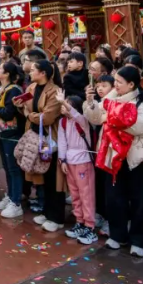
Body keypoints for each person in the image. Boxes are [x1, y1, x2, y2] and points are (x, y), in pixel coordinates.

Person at [84, 66, 143, 256]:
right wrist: (91, 103)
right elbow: (96, 118)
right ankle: (117, 235)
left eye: (119, 82)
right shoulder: (110, 100)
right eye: (115, 81)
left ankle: (140, 240)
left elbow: (141, 125)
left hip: (135, 158)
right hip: (112, 156)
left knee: (139, 200)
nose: (115, 85)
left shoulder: (142, 103)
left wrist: (111, 118)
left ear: (131, 84)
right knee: (114, 198)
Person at [17, 59, 65, 232]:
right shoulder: (31, 88)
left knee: (52, 176)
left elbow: (48, 117)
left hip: (49, 139)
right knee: (41, 174)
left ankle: (56, 217)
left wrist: (30, 115)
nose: (30, 72)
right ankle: (46, 211)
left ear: (43, 73)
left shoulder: (55, 91)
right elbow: (25, 108)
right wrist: (21, 107)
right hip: (35, 137)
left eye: (33, 69)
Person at [59, 94, 98, 245]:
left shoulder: (82, 121)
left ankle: (90, 226)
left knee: (86, 195)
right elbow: (62, 142)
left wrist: (64, 102)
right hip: (70, 162)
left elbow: (76, 114)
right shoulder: (63, 122)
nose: (63, 106)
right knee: (75, 194)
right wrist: (62, 160)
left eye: (67, 104)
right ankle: (80, 222)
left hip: (83, 162)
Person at [0, 62, 25, 218]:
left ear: (7, 74)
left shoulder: (14, 90)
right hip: (2, 132)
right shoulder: (2, 89)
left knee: (13, 168)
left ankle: (16, 202)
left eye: (0, 69)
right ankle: (10, 196)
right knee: (7, 167)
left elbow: (9, 113)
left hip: (12, 133)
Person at [85, 74, 115, 236]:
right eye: (98, 86)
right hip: (99, 148)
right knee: (100, 183)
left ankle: (111, 219)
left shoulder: (115, 102)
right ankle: (102, 214)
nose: (100, 89)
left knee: (110, 187)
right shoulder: (98, 102)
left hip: (112, 150)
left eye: (104, 85)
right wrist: (90, 102)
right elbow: (93, 119)